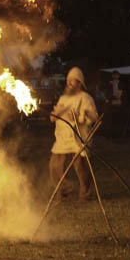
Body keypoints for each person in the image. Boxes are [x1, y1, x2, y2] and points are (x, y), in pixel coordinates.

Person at [49, 67, 99, 201]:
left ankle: (85, 193)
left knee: (81, 167)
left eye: (73, 81)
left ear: (79, 83)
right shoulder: (63, 98)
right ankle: (65, 190)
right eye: (68, 80)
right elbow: (53, 117)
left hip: (79, 137)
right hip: (62, 137)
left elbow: (94, 116)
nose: (69, 83)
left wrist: (79, 117)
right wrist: (56, 114)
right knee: (55, 166)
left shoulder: (86, 98)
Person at [100, 70, 125, 137]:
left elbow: (122, 93)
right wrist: (112, 97)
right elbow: (107, 94)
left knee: (118, 119)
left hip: (119, 104)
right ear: (112, 76)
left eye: (117, 75)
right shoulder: (109, 84)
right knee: (110, 119)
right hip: (111, 104)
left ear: (119, 76)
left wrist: (120, 96)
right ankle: (110, 134)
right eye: (114, 75)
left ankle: (118, 134)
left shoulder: (121, 84)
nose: (115, 76)